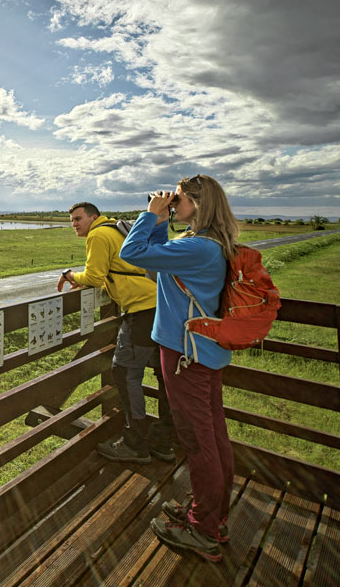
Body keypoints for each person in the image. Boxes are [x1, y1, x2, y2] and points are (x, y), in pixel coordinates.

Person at [120, 175, 238, 564]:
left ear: (199, 206)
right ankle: (212, 515)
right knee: (213, 436)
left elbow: (133, 253)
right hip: (203, 353)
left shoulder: (198, 247)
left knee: (200, 441)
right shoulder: (208, 245)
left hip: (187, 357)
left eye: (180, 199)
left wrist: (149, 213)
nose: (172, 203)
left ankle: (203, 530)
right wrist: (161, 222)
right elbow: (156, 261)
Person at [57, 202, 174, 464]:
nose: (74, 224)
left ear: (93, 217)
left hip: (142, 310)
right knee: (164, 374)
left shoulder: (98, 234)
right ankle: (164, 444)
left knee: (124, 373)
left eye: (78, 219)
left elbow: (96, 277)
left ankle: (136, 445)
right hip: (160, 306)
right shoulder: (116, 229)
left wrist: (70, 274)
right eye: (71, 220)